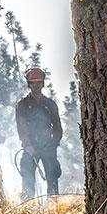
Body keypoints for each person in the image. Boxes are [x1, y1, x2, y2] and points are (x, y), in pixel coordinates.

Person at [14, 68, 63, 199]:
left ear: (42, 84)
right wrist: (28, 145)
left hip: (48, 145)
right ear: (29, 85)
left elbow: (57, 126)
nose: (36, 86)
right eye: (33, 83)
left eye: (39, 83)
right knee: (27, 176)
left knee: (52, 176)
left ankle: (54, 204)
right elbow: (21, 127)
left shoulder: (50, 104)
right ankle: (27, 205)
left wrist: (54, 143)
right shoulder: (22, 105)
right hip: (31, 146)